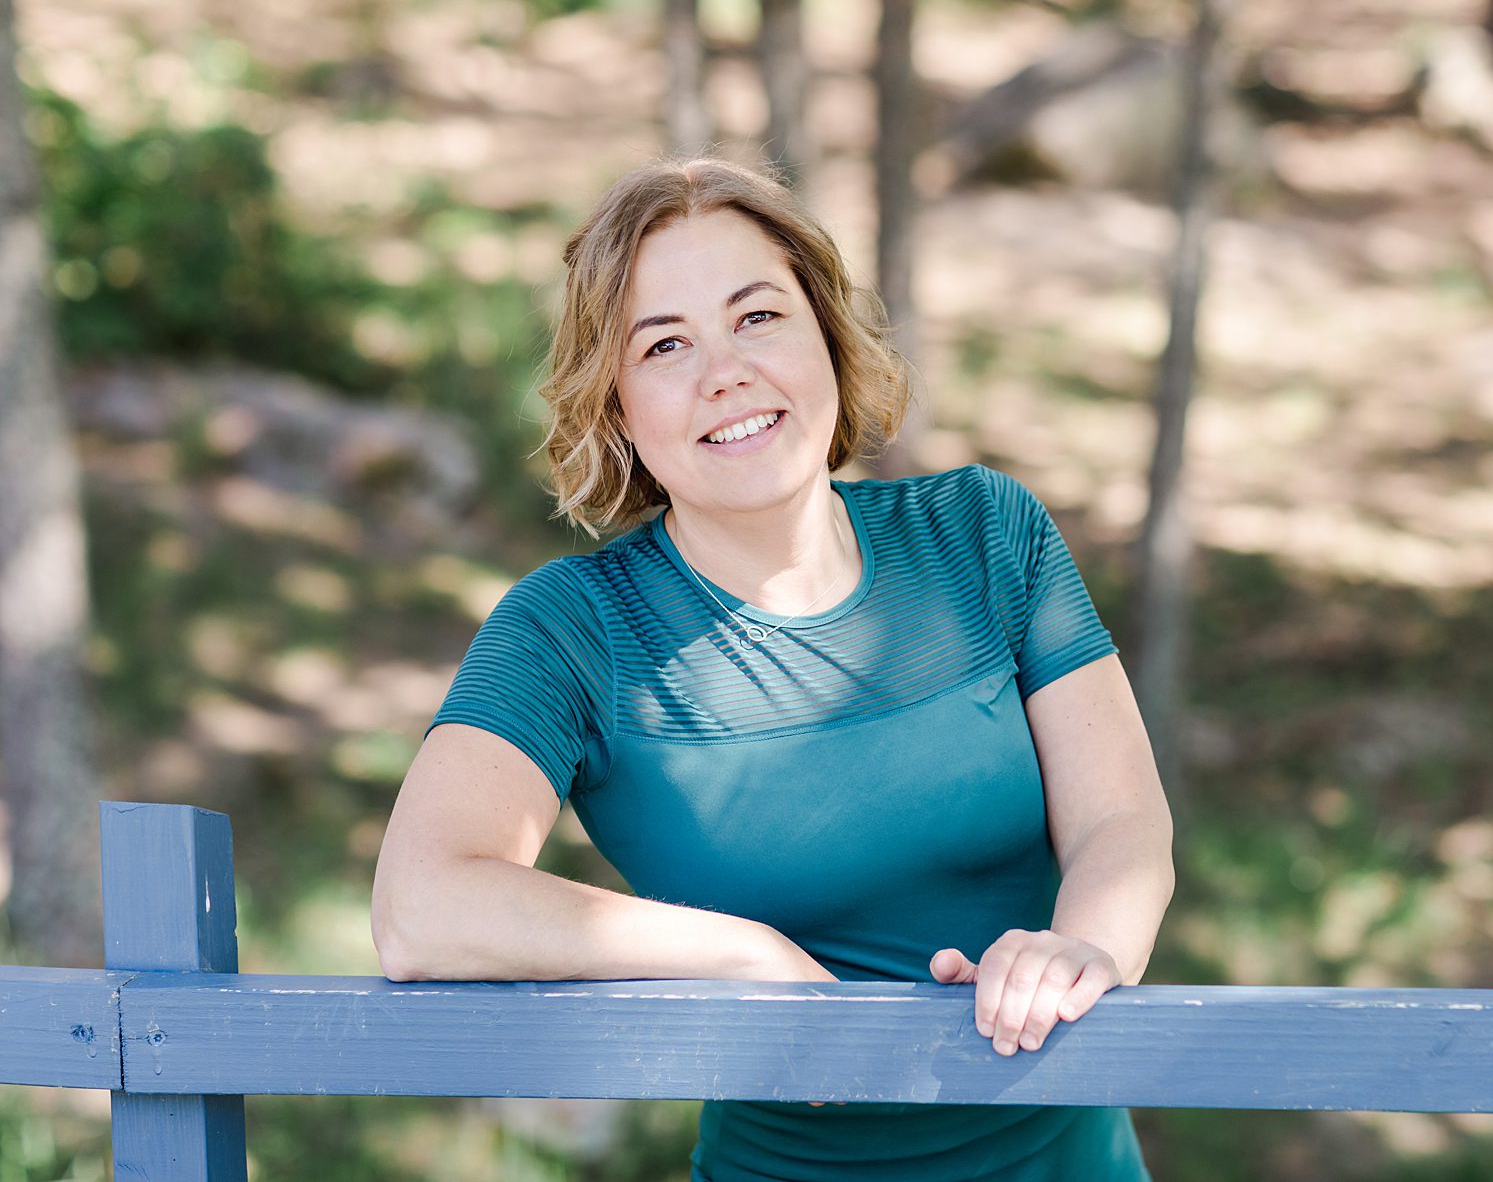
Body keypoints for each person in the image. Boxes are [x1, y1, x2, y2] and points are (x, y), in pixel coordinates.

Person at [370, 155, 1176, 1181]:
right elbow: (421, 907)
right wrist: (734, 953)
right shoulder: (575, 629)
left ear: (826, 337)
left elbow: (1123, 822)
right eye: (665, 344)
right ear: (616, 407)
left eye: (758, 317)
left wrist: (1084, 948)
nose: (725, 371)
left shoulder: (984, 534)